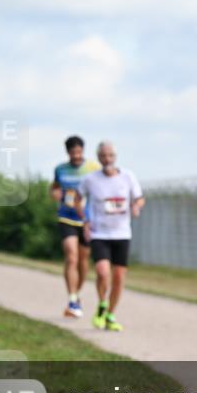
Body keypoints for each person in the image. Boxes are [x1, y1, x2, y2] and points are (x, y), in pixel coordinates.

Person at [79, 141, 144, 332]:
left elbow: (139, 198)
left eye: (110, 156)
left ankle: (110, 314)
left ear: (115, 157)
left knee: (119, 276)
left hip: (122, 232)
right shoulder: (90, 179)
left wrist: (136, 206)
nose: (107, 159)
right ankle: (102, 304)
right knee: (102, 272)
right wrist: (85, 220)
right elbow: (77, 199)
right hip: (99, 233)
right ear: (98, 157)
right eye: (103, 156)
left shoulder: (128, 176)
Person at [50, 136, 101, 318]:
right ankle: (72, 299)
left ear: (83, 151)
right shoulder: (60, 169)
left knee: (83, 260)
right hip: (66, 217)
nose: (76, 156)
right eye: (73, 152)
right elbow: (55, 187)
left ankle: (77, 294)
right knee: (71, 256)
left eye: (79, 152)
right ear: (67, 152)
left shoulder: (93, 168)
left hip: (87, 220)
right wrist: (56, 194)